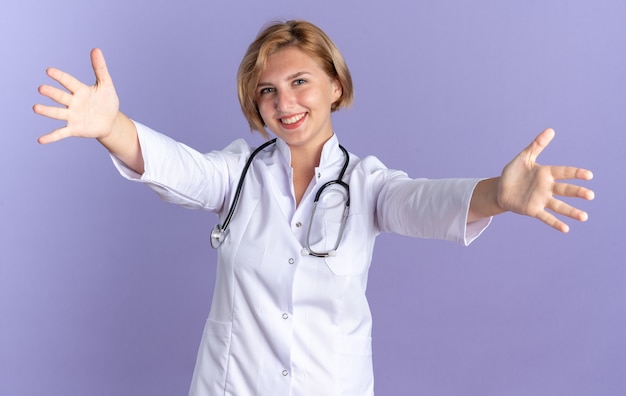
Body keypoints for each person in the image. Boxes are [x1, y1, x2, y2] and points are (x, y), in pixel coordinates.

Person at [33, 20, 594, 396]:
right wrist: (111, 127)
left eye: (299, 81)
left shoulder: (368, 184)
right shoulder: (238, 173)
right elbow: (178, 168)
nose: (284, 103)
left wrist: (499, 193)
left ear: (334, 85)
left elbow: (422, 202)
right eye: (267, 91)